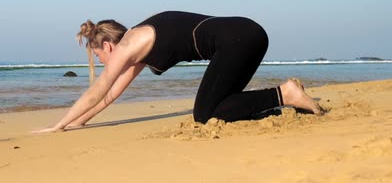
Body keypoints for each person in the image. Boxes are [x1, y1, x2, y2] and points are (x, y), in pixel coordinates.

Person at [34, 11, 323, 133]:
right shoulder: (136, 47)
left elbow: (97, 90)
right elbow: (108, 96)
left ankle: (285, 93)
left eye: (99, 56)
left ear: (108, 46)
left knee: (205, 114)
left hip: (237, 40)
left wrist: (57, 126)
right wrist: (78, 123)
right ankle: (280, 99)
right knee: (219, 105)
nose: (104, 64)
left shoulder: (127, 48)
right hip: (247, 34)